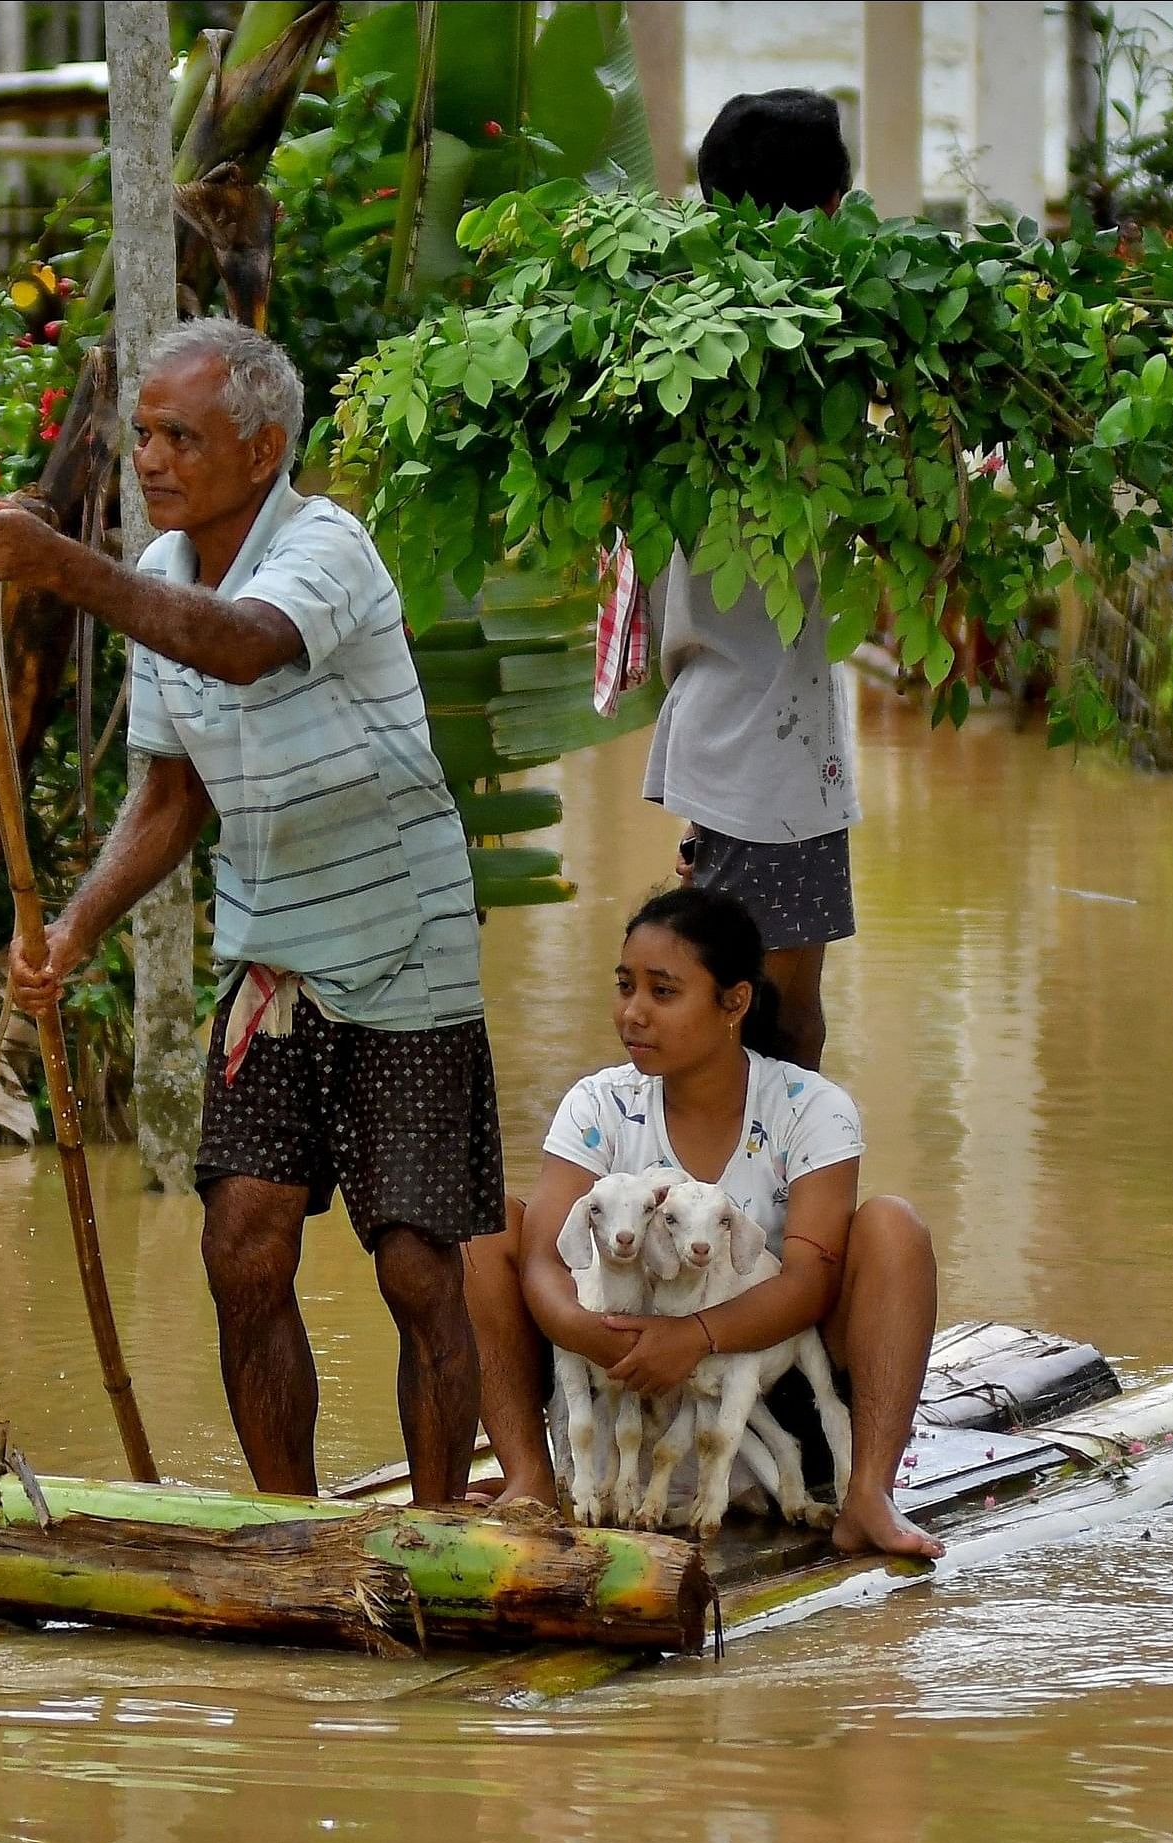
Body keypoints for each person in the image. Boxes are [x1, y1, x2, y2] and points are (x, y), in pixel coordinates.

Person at [0, 319, 497, 1505]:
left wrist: (56, 563)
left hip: (401, 940)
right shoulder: (165, 581)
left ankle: (439, 1526)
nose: (148, 458)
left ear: (262, 448)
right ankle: (289, 1527)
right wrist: (72, 932)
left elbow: (241, 649)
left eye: (178, 436)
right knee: (240, 1245)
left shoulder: (324, 546)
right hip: (272, 953)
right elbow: (171, 796)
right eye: (140, 434)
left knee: (412, 1262)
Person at [464, 885, 945, 1558]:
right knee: (484, 1229)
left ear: (735, 1002)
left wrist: (694, 1337)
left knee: (894, 1227)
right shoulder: (598, 1103)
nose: (633, 1013)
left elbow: (810, 1277)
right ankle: (531, 1476)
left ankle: (867, 1490)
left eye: (663, 992)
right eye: (625, 986)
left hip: (764, 1395)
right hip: (614, 1389)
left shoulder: (811, 1107)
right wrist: (600, 1339)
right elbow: (546, 1258)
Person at [641, 89, 865, 1069]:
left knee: (739, 1011)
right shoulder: (813, 358)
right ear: (823, 210)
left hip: (723, 727)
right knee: (780, 1020)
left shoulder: (681, 347)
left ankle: (750, 1208)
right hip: (764, 750)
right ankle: (772, 1216)